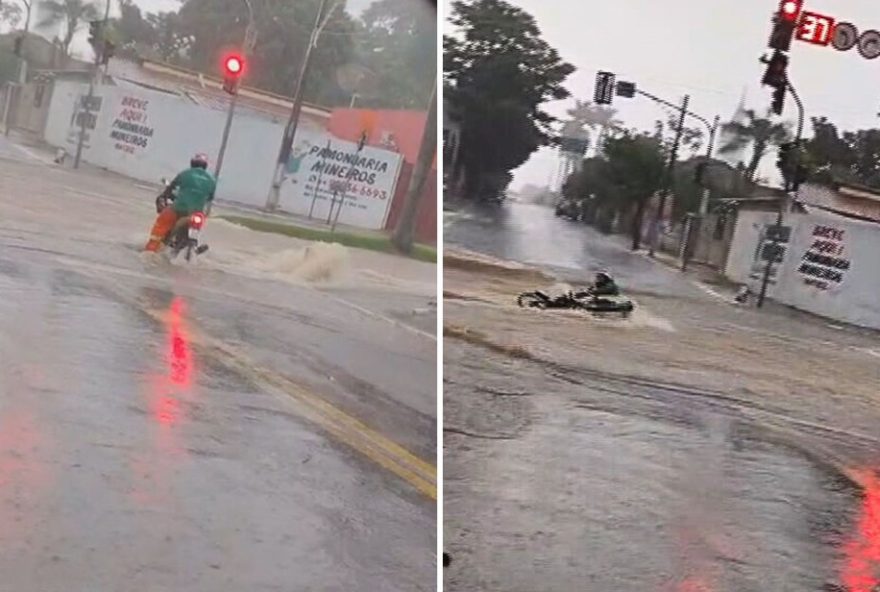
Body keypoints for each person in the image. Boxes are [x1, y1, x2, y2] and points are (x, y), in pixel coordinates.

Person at [144, 153, 216, 252]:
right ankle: (192, 246)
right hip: (196, 214)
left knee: (162, 223)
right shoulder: (212, 181)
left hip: (179, 208)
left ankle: (151, 249)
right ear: (205, 166)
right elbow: (209, 198)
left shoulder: (185, 174)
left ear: (192, 163)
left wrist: (163, 196)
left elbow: (169, 189)